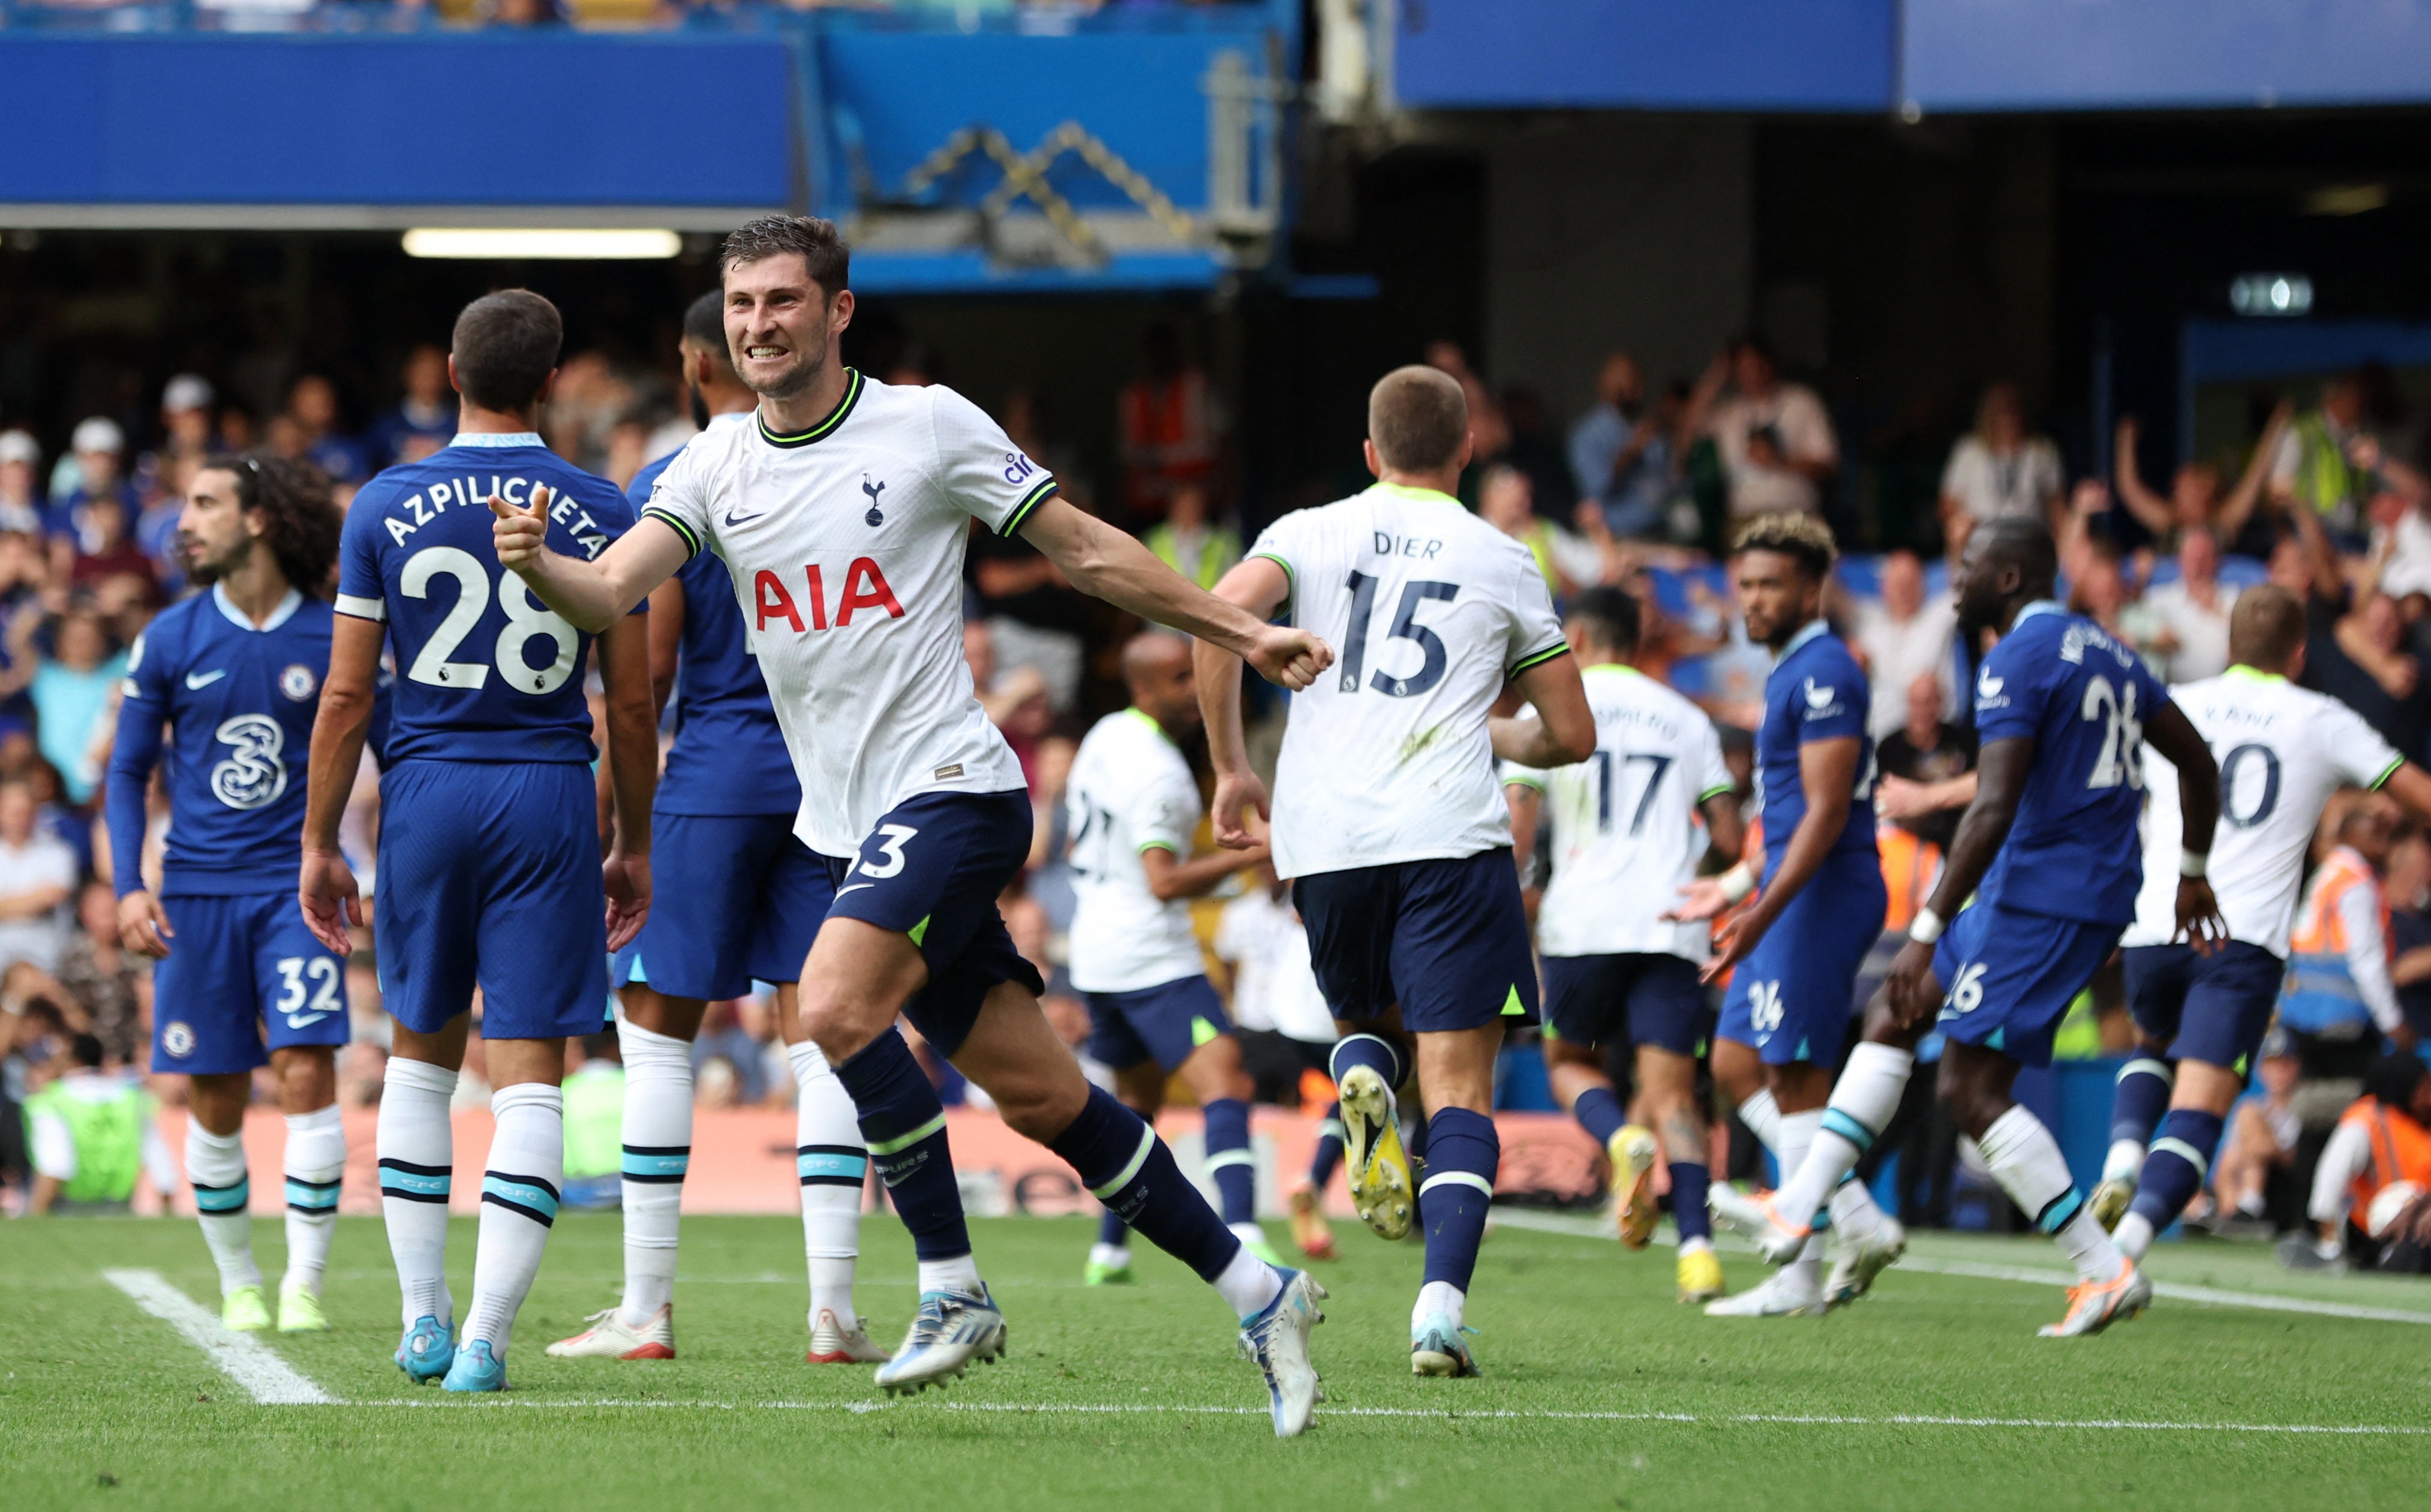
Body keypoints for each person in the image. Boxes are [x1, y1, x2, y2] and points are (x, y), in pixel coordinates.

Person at [488, 215, 1329, 1433]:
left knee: (827, 1005)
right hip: (844, 826)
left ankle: (947, 1283)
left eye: (783, 301)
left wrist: (1240, 632)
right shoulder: (712, 465)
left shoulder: (927, 425)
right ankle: (1262, 1292)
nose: (758, 324)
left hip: (951, 789)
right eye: (740, 305)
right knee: (1044, 1100)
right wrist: (534, 568)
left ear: (837, 313)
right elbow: (611, 588)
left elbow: (1084, 550)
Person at [1729, 516, 2225, 1337]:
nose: (1951, 581)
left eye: (1966, 566)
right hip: (2043, 886)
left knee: (1969, 1087)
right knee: (1895, 1012)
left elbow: (1992, 804)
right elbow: (2197, 760)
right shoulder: (2109, 650)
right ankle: (1799, 1205)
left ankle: (2102, 1271)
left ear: (2008, 578)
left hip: (2045, 893)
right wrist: (2193, 871)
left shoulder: (2016, 659)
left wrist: (1925, 924)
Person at [1196, 363, 1595, 1376]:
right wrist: (1503, 732)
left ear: (1368, 454)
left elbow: (1215, 616)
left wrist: (1233, 765)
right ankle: (1437, 1316)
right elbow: (1573, 732)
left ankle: (1361, 1076)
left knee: (1364, 1024)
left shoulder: (1304, 530)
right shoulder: (1501, 555)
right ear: (1466, 453)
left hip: (1324, 837)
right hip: (1448, 833)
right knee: (1460, 1089)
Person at [299, 288, 659, 1394]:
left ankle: (421, 1317)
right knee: (531, 1075)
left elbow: (349, 698)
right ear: (551, 383)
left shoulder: (382, 505)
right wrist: (632, 842)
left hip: (427, 791)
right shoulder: (600, 506)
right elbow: (634, 708)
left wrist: (320, 841)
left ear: (450, 373)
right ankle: (488, 1341)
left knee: (419, 1056)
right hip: (548, 793)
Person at [547, 290, 880, 1369]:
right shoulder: (840, 467)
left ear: (697, 362)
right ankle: (833, 1309)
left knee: (656, 1026)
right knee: (820, 1025)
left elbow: (642, 675)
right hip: (828, 774)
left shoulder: (678, 479)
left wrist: (623, 829)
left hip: (718, 769)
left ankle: (646, 1306)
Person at [106, 451, 369, 1333]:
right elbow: (127, 771)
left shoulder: (336, 632)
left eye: (206, 502)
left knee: (306, 1069)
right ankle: (238, 1282)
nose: (186, 520)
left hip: (294, 892)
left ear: (258, 518)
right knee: (213, 1093)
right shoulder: (172, 637)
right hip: (198, 893)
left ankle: (304, 1283)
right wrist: (127, 884)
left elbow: (395, 748)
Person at [2095, 587, 2431, 1268]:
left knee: (2152, 1047)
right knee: (2202, 1105)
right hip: (2238, 937)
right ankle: (2122, 1256)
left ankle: (2123, 1157)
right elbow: (2411, 789)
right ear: (2300, 653)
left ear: (2228, 645)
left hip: (2156, 923)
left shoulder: (2175, 701)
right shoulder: (2323, 717)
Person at [1671, 513, 1901, 1319]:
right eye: (1746, 586)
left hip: (1823, 893)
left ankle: (1799, 1280)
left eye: (1771, 585)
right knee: (1735, 1064)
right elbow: (1787, 812)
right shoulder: (1788, 670)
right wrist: (1737, 885)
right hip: (1786, 892)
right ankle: (1858, 1218)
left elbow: (1827, 813)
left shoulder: (1828, 670)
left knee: (1794, 1073)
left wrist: (1762, 910)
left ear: (1813, 589)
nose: (1754, 600)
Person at [1501, 586, 1743, 1303]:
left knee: (1569, 1061)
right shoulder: (1688, 717)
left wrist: (1511, 903)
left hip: (1586, 917)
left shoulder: (1546, 707)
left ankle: (1615, 1140)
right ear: (1639, 640)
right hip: (1673, 919)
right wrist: (1696, 877)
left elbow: (1518, 830)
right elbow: (1730, 837)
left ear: (1574, 632)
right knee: (1673, 1095)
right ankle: (1697, 1250)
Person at [1065, 630, 1282, 1285]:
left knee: (1136, 1105)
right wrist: (1259, 851)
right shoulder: (1157, 768)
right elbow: (1162, 880)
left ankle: (1110, 1249)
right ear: (1143, 687)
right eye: (1179, 681)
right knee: (1228, 1080)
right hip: (1149, 955)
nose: (1195, 692)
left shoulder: (1105, 735)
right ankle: (1243, 1229)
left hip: (1095, 947)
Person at [2276, 801, 2412, 1069]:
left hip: (2304, 1011)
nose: (2385, 844)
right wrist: (2393, 1023)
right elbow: (2366, 959)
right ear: (2354, 836)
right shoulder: (2356, 884)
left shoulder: (2330, 872)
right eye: (2376, 835)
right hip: (2343, 1022)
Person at [2288, 1054, 2431, 1273]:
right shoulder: (2368, 1120)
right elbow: (2331, 1178)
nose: (2429, 1097)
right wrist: (2330, 1241)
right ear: (2403, 1085)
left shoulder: (2423, 1123)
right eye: (2424, 1088)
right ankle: (2334, 1255)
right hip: (2382, 1228)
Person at [23, 1033, 179, 1215]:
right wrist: (168, 1209)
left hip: (69, 1210)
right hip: (120, 1211)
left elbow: (56, 1166)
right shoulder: (133, 1099)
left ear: (71, 1059)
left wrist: (35, 1214)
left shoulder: (51, 1101)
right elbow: (160, 1161)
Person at [1685, 336, 1838, 521]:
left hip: (1798, 517)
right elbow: (1688, 426)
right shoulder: (1730, 412)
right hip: (1745, 520)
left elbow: (1828, 465)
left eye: (1756, 364)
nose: (1751, 372)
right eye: (1743, 366)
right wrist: (1716, 374)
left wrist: (1779, 460)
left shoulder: (1801, 401)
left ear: (1769, 363)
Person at [1852, 548, 1955, 741]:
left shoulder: (1938, 617)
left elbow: (1963, 585)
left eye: (1911, 583)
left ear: (1924, 585)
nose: (1904, 590)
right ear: (1883, 587)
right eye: (1898, 583)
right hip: (1878, 746)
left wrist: (1957, 538)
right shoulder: (1863, 618)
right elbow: (1826, 596)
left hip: (1934, 749)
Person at [1568, 351, 1670, 539]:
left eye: (1636, 378)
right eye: (1622, 378)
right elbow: (1598, 487)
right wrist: (1632, 452)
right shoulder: (1587, 434)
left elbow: (1668, 478)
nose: (1632, 386)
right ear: (1603, 384)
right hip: (1617, 536)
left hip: (1659, 529)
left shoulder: (1646, 426)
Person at [1939, 383, 2063, 533]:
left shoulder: (2042, 451)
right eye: (2001, 410)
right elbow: (1947, 505)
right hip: (1981, 537)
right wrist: (1969, 524)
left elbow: (2057, 508)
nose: (2007, 417)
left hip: (2027, 536)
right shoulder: (1969, 451)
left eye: (2012, 409)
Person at [2141, 527, 2240, 682]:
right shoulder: (2158, 599)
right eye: (2191, 557)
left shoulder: (2232, 597)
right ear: (2180, 560)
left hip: (2223, 689)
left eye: (2204, 557)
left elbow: (2248, 641)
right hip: (2174, 691)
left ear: (2216, 560)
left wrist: (2216, 611)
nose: (2197, 565)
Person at [0, 780, 74, 975]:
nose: (21, 818)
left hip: (46, 958)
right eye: (14, 812)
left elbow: (52, 896)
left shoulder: (59, 852)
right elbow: (42, 898)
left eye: (26, 811)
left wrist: (5, 906)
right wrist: (32, 900)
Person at [366, 345, 459, 470]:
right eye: (422, 372)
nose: (428, 379)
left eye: (434, 372)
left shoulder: (459, 424)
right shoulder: (386, 424)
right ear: (407, 374)